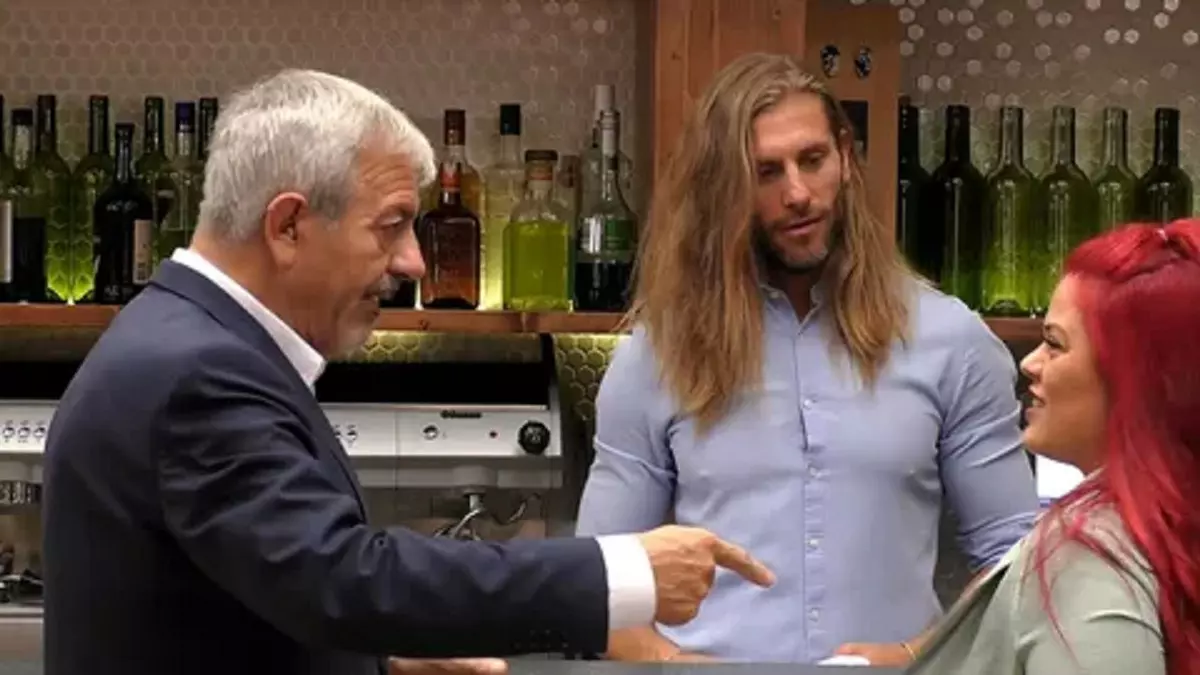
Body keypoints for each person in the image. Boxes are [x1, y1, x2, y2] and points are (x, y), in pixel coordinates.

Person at [40, 69, 775, 675]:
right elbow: (343, 577)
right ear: (288, 225)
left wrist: (377, 661)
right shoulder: (198, 373)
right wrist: (623, 573)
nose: (415, 263)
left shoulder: (189, 338)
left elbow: (262, 597)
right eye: (391, 225)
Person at [574, 51, 1039, 665]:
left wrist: (914, 656)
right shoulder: (657, 357)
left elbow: (1019, 564)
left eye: (813, 160)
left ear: (845, 157)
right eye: (765, 172)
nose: (797, 193)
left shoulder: (950, 340)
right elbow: (596, 584)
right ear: (723, 189)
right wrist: (674, 666)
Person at [904, 219, 1200, 675]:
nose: (1030, 363)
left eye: (1054, 344)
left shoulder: (1088, 554)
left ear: (1130, 377)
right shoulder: (1168, 523)